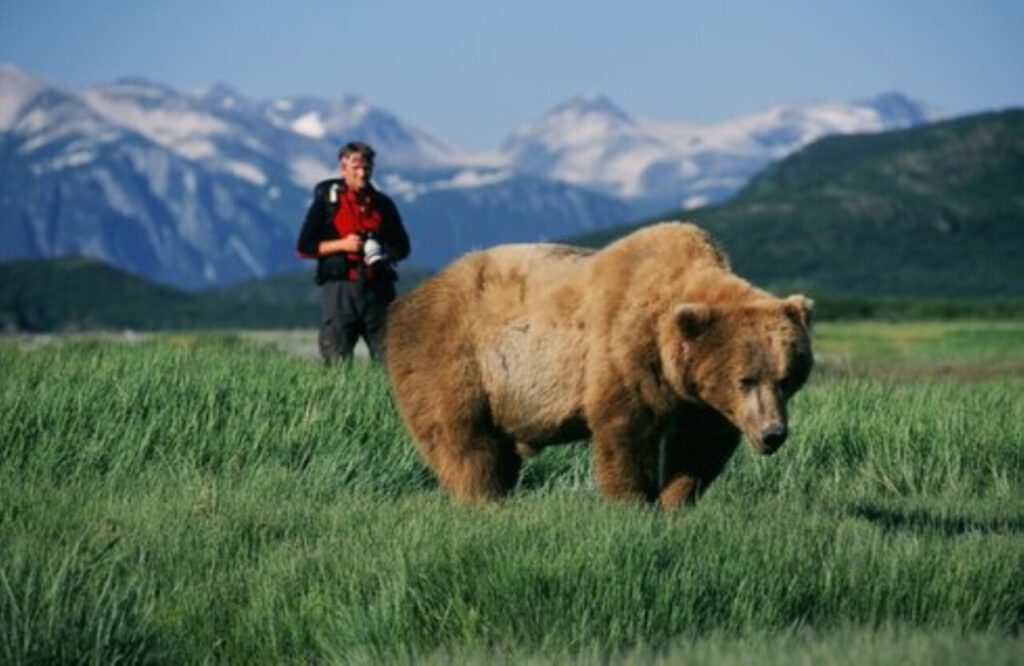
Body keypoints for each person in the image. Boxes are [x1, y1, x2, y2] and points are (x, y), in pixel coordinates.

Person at [296, 141, 411, 363]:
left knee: (390, 363)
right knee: (337, 358)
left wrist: (382, 252)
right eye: (355, 168)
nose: (362, 174)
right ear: (343, 168)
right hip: (341, 290)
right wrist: (342, 245)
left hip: (378, 290)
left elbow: (403, 247)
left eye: (366, 168)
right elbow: (304, 247)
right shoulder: (327, 203)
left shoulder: (383, 204)